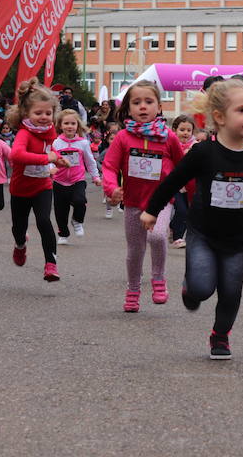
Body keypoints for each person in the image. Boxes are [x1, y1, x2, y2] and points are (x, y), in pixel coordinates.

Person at [141, 78, 243, 359]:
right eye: (241, 110)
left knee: (231, 292)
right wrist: (152, 209)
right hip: (203, 234)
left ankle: (220, 336)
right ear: (220, 117)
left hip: (236, 240)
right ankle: (190, 289)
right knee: (201, 288)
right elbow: (173, 181)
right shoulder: (203, 152)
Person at [102, 80, 184, 312]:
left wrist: (194, 192)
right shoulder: (123, 138)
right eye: (136, 102)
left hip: (161, 203)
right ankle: (133, 290)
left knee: (157, 237)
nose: (143, 107)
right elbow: (109, 166)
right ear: (128, 109)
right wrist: (111, 188)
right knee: (135, 251)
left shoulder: (168, 137)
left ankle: (159, 279)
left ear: (159, 107)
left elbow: (183, 167)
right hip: (133, 203)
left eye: (149, 102)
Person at [6, 78, 70, 281]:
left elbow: (52, 155)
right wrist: (47, 159)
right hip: (20, 189)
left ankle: (51, 264)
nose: (44, 117)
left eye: (48, 113)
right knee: (19, 227)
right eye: (38, 113)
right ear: (26, 113)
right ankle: (20, 244)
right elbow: (15, 156)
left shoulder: (51, 134)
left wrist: (59, 161)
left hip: (42, 186)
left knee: (44, 221)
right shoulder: (24, 134)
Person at [52, 109, 101, 245]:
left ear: (77, 126)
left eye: (73, 123)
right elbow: (50, 159)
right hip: (59, 181)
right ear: (60, 125)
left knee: (80, 201)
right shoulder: (56, 143)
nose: (69, 126)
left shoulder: (83, 143)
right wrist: (51, 169)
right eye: (66, 123)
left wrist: (95, 177)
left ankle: (77, 221)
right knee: (60, 210)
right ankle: (63, 234)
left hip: (77, 180)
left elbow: (90, 161)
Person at [169, 114, 197, 249]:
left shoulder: (195, 146)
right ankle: (177, 237)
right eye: (182, 130)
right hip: (174, 184)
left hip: (190, 185)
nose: (185, 133)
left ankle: (173, 227)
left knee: (188, 211)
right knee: (181, 210)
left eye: (188, 130)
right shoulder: (171, 144)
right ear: (175, 130)